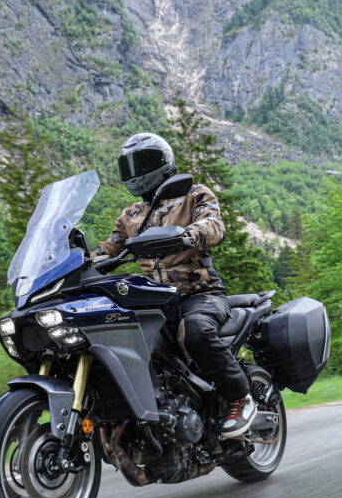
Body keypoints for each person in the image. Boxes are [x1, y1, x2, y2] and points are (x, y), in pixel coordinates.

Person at [93, 132, 257, 438]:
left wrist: (191, 234)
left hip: (200, 294)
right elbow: (109, 248)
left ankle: (240, 397)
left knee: (195, 331)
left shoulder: (194, 194)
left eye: (143, 163)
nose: (137, 172)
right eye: (131, 165)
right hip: (152, 300)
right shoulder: (130, 215)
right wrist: (76, 258)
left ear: (162, 162)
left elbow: (214, 224)